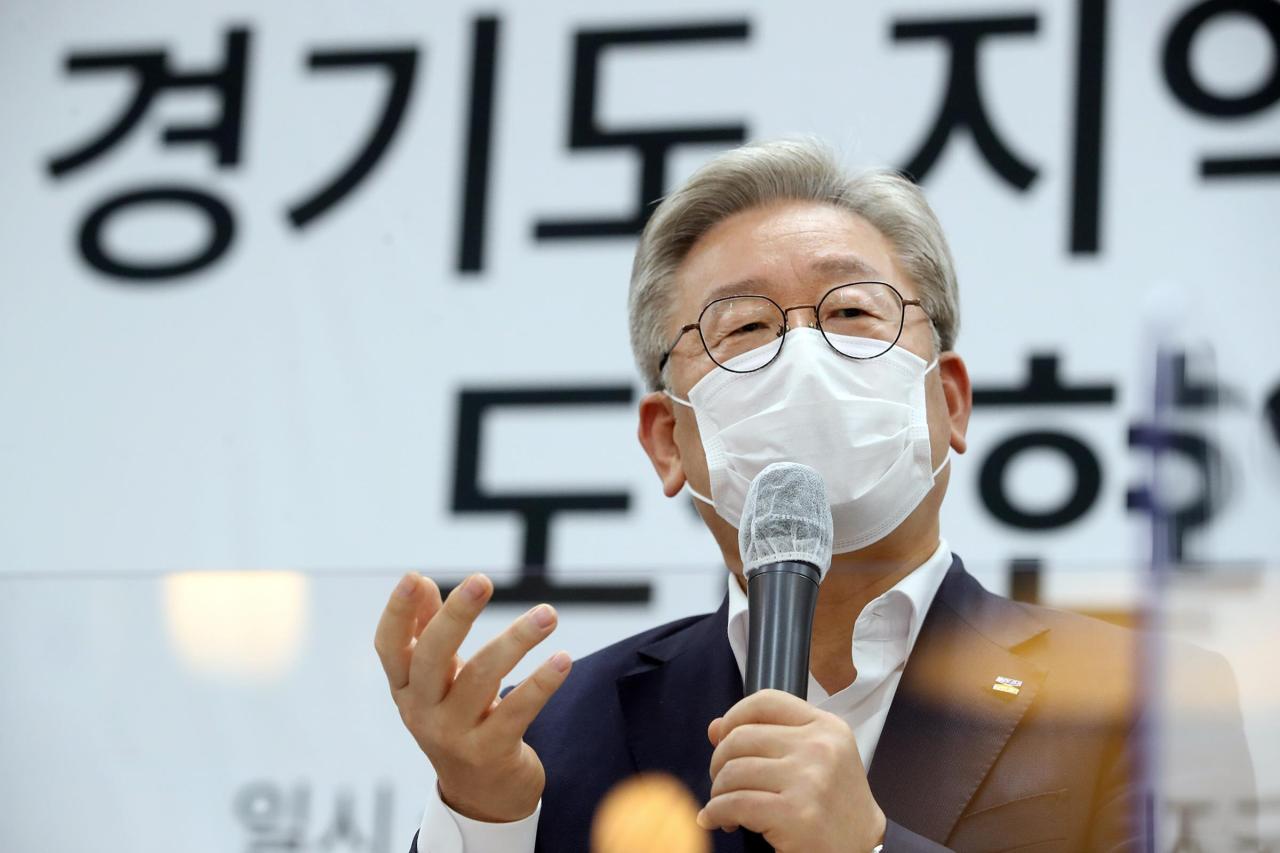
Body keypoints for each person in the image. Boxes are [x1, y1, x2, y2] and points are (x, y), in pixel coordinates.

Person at [375, 138, 1159, 851]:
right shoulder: (551, 729)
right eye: (745, 327)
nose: (805, 356)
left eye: (852, 312)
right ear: (666, 440)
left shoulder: (1145, 697)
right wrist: (482, 816)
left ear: (949, 401)